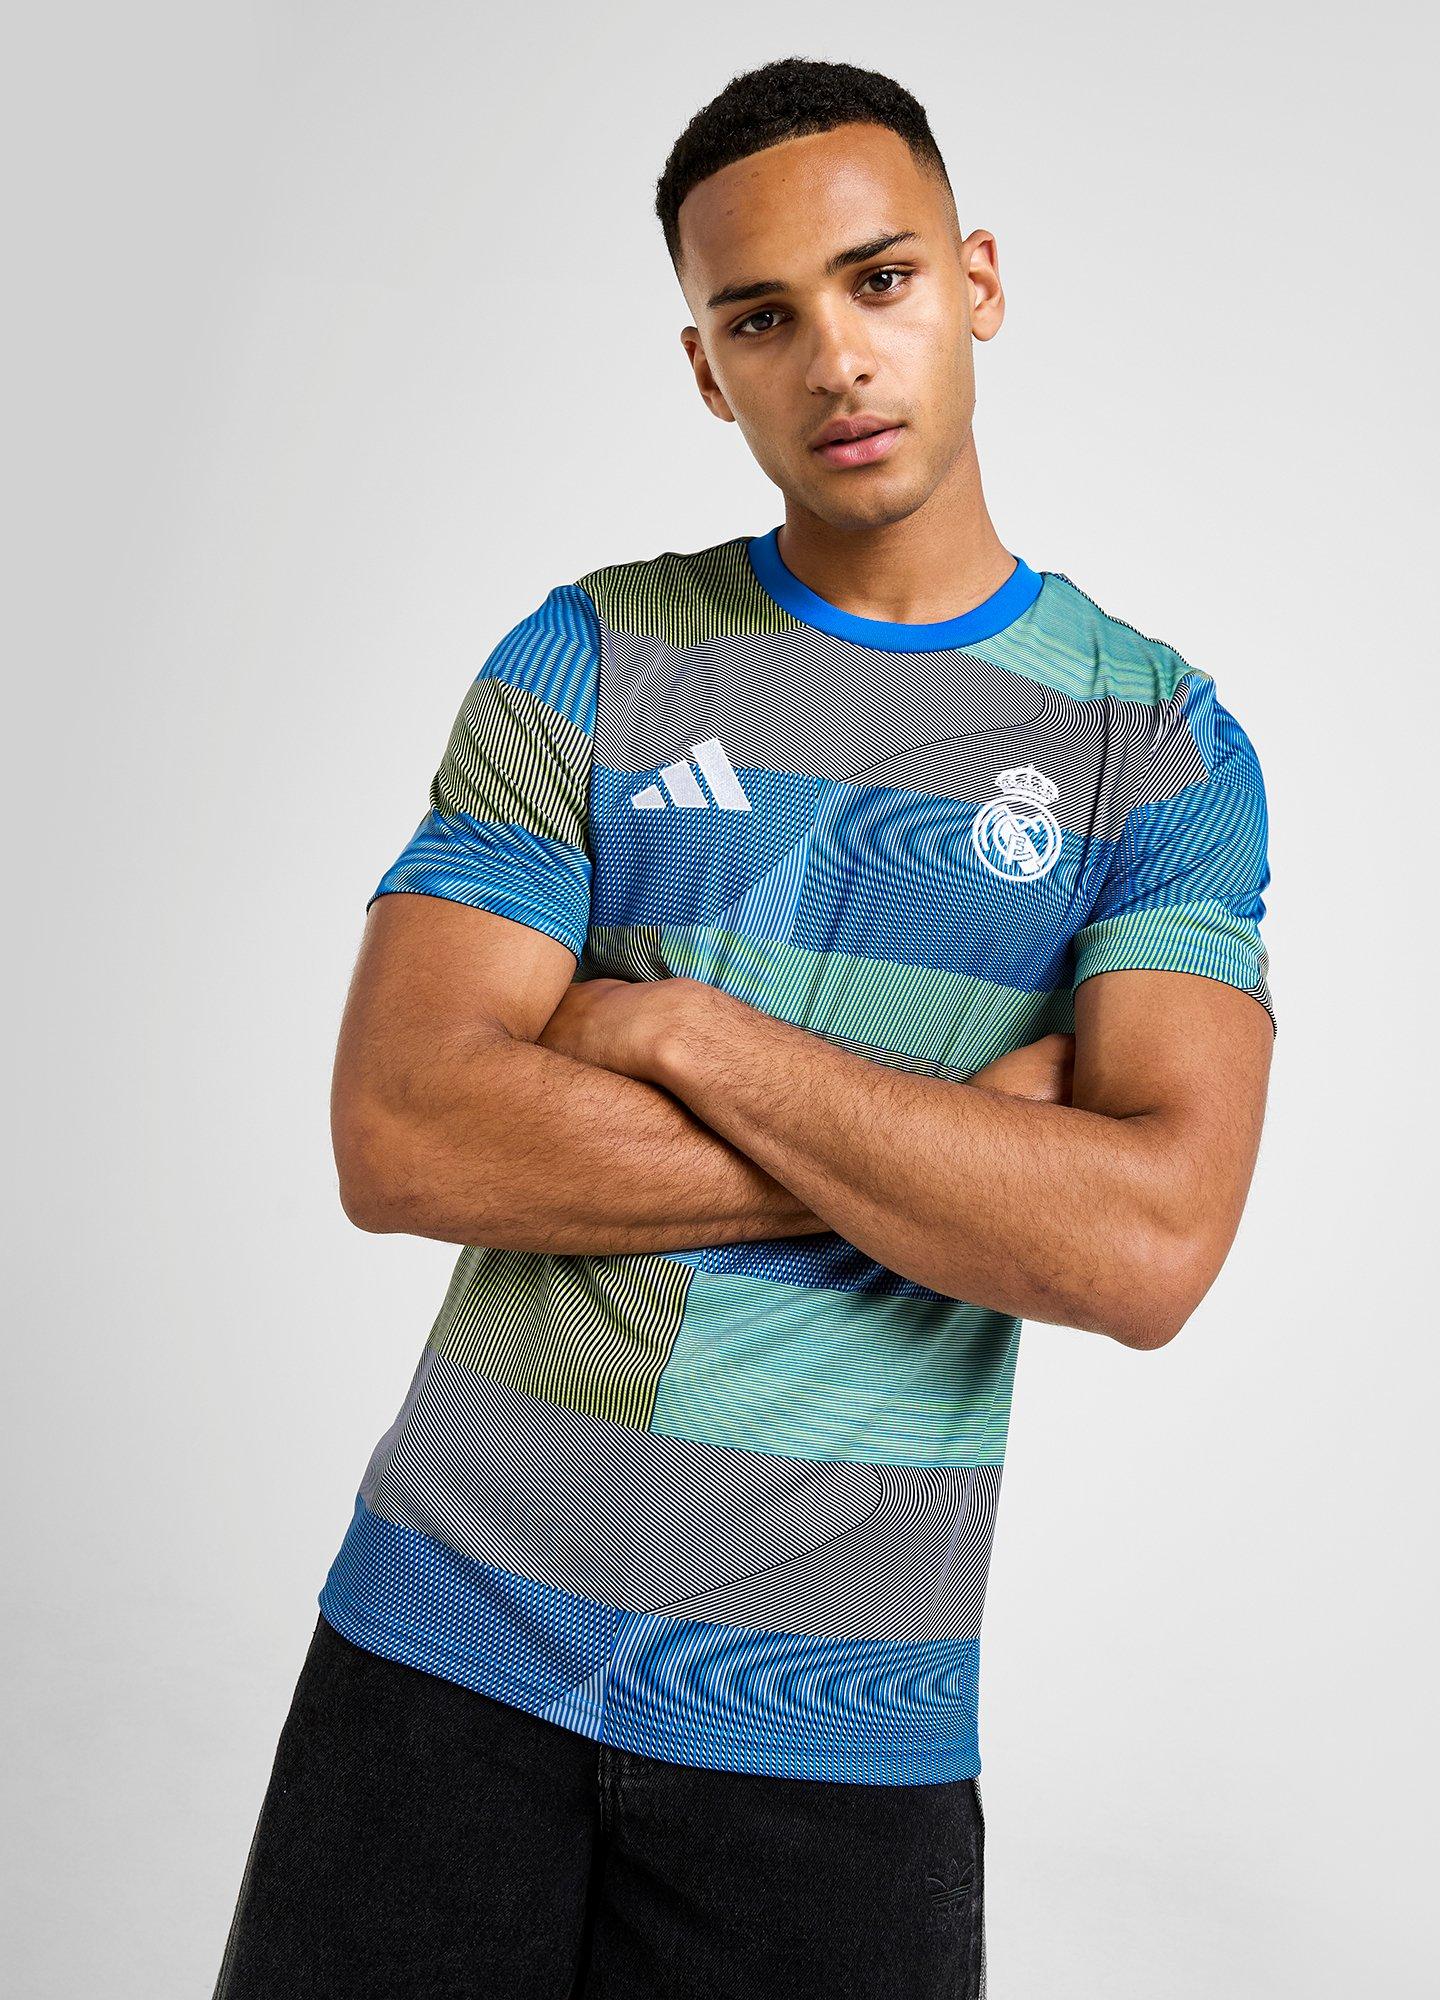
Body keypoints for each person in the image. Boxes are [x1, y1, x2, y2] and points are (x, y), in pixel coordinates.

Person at [211, 54, 1276, 2000]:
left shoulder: (1157, 747)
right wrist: (962, 1150)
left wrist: (684, 1034)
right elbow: (408, 1133)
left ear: (976, 281)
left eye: (881, 281)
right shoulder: (590, 656)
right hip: (435, 1655)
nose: (836, 358)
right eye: (761, 317)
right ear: (707, 368)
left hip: (832, 1726)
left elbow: (1143, 1244)